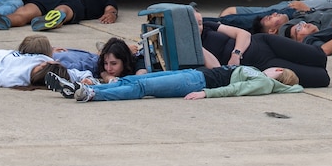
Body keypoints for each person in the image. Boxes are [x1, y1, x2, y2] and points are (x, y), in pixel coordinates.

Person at [199, 12, 331, 88]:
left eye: (199, 22)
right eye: (196, 24)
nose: (199, 26)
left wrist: (236, 54)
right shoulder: (191, 49)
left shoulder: (208, 26)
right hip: (259, 66)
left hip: (264, 43)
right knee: (321, 79)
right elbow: (215, 68)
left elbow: (243, 34)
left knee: (319, 56)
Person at [60, 65, 303, 103]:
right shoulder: (259, 75)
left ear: (279, 72)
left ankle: (92, 94)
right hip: (194, 74)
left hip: (196, 81)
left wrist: (205, 94)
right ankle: (87, 89)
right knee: (135, 79)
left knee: (142, 88)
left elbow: (235, 89)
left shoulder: (264, 82)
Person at [5, 0, 118, 31]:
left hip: (76, 3)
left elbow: (111, 9)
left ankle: (50, 20)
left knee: (63, 10)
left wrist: (111, 14)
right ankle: (4, 20)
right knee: (25, 12)